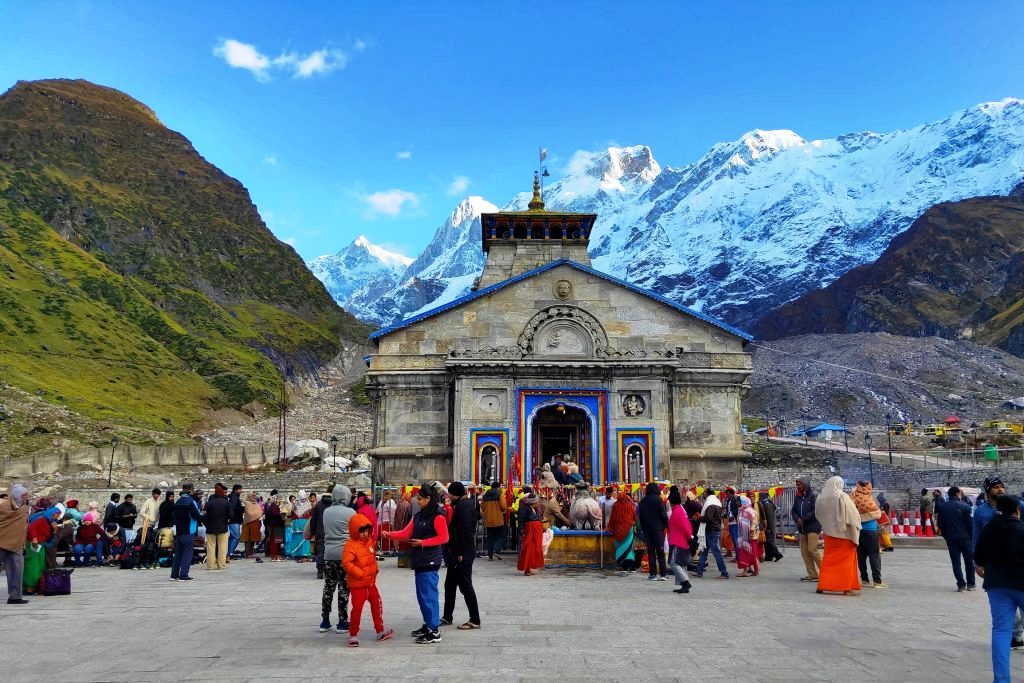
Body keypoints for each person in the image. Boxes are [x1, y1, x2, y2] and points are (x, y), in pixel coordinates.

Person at [383, 483, 450, 644]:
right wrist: (389, 534)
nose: (417, 502)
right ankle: (428, 624)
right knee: (422, 596)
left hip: (430, 559)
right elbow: (406, 532)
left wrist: (423, 543)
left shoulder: (438, 516)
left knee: (429, 596)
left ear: (428, 499)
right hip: (420, 559)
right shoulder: (419, 516)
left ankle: (434, 630)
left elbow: (444, 538)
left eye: (420, 499)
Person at [974, 494, 1024, 683]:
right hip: (1021, 584)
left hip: (997, 586)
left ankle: (1001, 680)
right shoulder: (1022, 528)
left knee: (1001, 631)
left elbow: (978, 556)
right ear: (1017, 510)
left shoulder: (989, 529)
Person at [341, 513, 393, 647]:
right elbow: (347, 563)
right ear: (355, 531)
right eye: (361, 531)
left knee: (377, 605)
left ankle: (380, 631)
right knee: (357, 609)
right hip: (358, 584)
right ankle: (353, 635)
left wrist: (375, 570)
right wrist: (360, 573)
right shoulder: (350, 545)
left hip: (370, 583)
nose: (364, 534)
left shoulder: (369, 542)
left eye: (366, 531)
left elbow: (371, 558)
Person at [441, 481, 482, 630]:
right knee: (450, 585)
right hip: (458, 552)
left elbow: (464, 531)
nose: (448, 496)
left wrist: (459, 553)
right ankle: (447, 616)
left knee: (465, 586)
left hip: (462, 552)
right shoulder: (465, 504)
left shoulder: (463, 507)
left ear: (455, 494)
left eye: (449, 494)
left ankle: (475, 619)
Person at [815, 476, 861, 596]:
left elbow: (818, 514)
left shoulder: (820, 498)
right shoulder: (842, 497)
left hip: (829, 534)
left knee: (828, 560)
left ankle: (823, 585)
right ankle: (846, 587)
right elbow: (853, 516)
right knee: (846, 561)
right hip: (844, 535)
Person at [321, 485, 355, 633]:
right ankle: (342, 621)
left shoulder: (326, 512)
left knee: (328, 587)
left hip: (328, 554)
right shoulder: (351, 512)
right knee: (343, 588)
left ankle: (325, 620)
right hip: (345, 554)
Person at [935, 485, 975, 592]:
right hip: (965, 537)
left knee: (955, 561)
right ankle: (971, 584)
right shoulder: (965, 506)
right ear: (958, 493)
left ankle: (961, 584)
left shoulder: (943, 507)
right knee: (969, 561)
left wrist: (945, 535)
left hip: (951, 537)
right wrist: (971, 537)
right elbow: (970, 524)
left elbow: (940, 523)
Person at [851, 481, 886, 589]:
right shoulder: (866, 497)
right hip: (870, 531)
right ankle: (877, 581)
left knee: (861, 555)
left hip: (858, 531)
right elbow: (877, 512)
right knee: (874, 556)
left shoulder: (853, 496)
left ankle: (864, 579)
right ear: (866, 487)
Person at [0, 484, 30, 604]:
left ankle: (15, 596)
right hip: (2, 542)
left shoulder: (24, 508)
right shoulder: (3, 508)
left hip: (17, 544)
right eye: (24, 495)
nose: (26, 497)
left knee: (17, 570)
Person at [691, 490, 728, 579]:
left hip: (712, 530)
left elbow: (708, 518)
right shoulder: (716, 502)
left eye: (704, 493)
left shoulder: (710, 504)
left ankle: (724, 573)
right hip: (711, 530)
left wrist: (698, 518)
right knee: (704, 551)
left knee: (716, 552)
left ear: (707, 494)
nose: (702, 494)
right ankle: (699, 571)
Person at [792, 476, 823, 582]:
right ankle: (812, 574)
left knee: (812, 550)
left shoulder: (814, 495)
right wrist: (797, 519)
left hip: (813, 527)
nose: (797, 487)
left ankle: (826, 571)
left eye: (799, 485)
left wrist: (803, 519)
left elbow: (815, 511)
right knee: (804, 552)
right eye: (797, 485)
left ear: (805, 485)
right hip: (802, 528)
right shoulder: (797, 497)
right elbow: (794, 510)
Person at [170, 483, 202, 582]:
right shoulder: (191, 501)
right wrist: (203, 515)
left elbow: (174, 516)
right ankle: (183, 575)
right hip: (189, 530)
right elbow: (197, 516)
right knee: (187, 553)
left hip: (179, 530)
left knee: (178, 553)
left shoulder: (178, 501)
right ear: (191, 491)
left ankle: (174, 575)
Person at [638, 482, 669, 581]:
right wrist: (667, 525)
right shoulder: (658, 500)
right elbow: (663, 515)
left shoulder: (642, 501)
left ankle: (653, 574)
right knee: (660, 552)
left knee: (651, 552)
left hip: (647, 529)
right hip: (658, 529)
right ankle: (663, 574)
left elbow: (641, 517)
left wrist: (643, 528)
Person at [666, 486, 693, 594]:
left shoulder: (677, 513)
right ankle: (683, 586)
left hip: (678, 541)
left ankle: (685, 582)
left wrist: (689, 538)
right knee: (681, 563)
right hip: (681, 540)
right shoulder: (679, 510)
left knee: (673, 562)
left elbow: (686, 527)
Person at [609, 490, 639, 573]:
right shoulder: (630, 505)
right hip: (629, 529)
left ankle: (623, 567)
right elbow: (635, 517)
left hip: (618, 530)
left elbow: (613, 518)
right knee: (629, 548)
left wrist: (610, 527)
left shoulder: (616, 505)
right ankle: (632, 567)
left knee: (620, 547)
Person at [203, 483, 231, 570]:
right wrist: (226, 522)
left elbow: (204, 514)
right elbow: (230, 516)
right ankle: (221, 565)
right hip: (222, 527)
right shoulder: (226, 503)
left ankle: (210, 565)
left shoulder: (209, 503)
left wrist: (206, 523)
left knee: (211, 547)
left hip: (210, 527)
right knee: (222, 547)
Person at [516, 494, 545, 577]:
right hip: (530, 532)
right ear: (534, 502)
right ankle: (527, 569)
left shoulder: (535, 509)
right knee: (528, 549)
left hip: (536, 532)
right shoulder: (524, 509)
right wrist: (521, 532)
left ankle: (530, 567)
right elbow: (520, 520)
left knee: (535, 550)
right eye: (537, 501)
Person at [539, 487, 571, 558]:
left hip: (549, 522)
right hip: (547, 524)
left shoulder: (554, 501)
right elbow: (560, 515)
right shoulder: (553, 503)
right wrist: (569, 523)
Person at [480, 481, 507, 561]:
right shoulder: (500, 495)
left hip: (488, 520)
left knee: (490, 538)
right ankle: (497, 550)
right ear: (498, 487)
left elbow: (482, 508)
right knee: (502, 535)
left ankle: (490, 555)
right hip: (498, 519)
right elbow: (503, 507)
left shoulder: (484, 496)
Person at [308, 488, 332, 578]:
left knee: (321, 552)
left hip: (320, 532)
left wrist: (313, 532)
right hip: (332, 533)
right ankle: (329, 570)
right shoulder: (335, 505)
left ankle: (320, 570)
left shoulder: (318, 505)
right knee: (330, 552)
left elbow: (313, 521)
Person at [736, 495, 760, 577]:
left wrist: (751, 534)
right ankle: (749, 569)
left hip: (750, 536)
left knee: (750, 553)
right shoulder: (741, 510)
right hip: (743, 536)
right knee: (746, 552)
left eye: (739, 501)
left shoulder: (749, 511)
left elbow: (754, 523)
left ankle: (749, 570)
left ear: (743, 502)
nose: (737, 503)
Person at [758, 494, 783, 562]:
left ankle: (778, 554)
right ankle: (769, 557)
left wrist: (768, 527)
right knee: (766, 542)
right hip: (767, 526)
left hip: (769, 526)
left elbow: (769, 517)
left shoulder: (767, 504)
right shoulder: (765, 503)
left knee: (769, 542)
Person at [392, 490, 413, 569]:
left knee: (401, 545)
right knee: (407, 545)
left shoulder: (399, 504)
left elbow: (396, 517)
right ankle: (406, 562)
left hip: (399, 526)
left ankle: (401, 562)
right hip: (406, 526)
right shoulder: (408, 505)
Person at [241, 492, 264, 562]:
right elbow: (249, 513)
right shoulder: (247, 503)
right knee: (248, 538)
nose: (254, 497)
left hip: (255, 523)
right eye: (253, 496)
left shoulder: (256, 503)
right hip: (248, 523)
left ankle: (251, 552)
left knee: (253, 538)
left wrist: (259, 514)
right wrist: (258, 514)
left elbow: (260, 511)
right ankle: (247, 553)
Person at [264, 491, 285, 561]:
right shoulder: (273, 505)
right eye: (279, 499)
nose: (280, 500)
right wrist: (281, 513)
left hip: (278, 524)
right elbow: (274, 514)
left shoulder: (277, 505)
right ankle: (274, 554)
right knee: (274, 540)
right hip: (275, 524)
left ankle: (278, 553)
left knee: (278, 540)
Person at [227, 484, 244, 558]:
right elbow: (233, 508)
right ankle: (230, 553)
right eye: (240, 489)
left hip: (234, 520)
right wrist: (242, 508)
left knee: (232, 537)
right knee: (236, 537)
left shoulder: (234, 497)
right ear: (235, 490)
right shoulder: (234, 497)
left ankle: (228, 552)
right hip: (234, 520)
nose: (241, 491)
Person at [724, 488, 739, 560]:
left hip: (735, 522)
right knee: (733, 539)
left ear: (731, 493)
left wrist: (732, 514)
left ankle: (738, 557)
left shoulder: (735, 499)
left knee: (736, 540)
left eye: (728, 494)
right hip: (730, 522)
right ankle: (737, 556)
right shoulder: (728, 501)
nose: (727, 496)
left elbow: (738, 509)